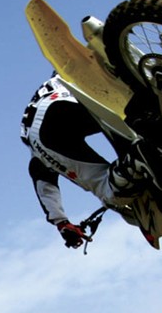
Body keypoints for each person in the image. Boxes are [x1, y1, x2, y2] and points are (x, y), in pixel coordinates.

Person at [20, 75, 146, 248]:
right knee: (133, 108)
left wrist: (62, 223)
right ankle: (143, 152)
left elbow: (44, 186)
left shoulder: (37, 156)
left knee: (111, 191)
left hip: (45, 128)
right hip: (62, 107)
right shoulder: (64, 74)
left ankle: (135, 163)